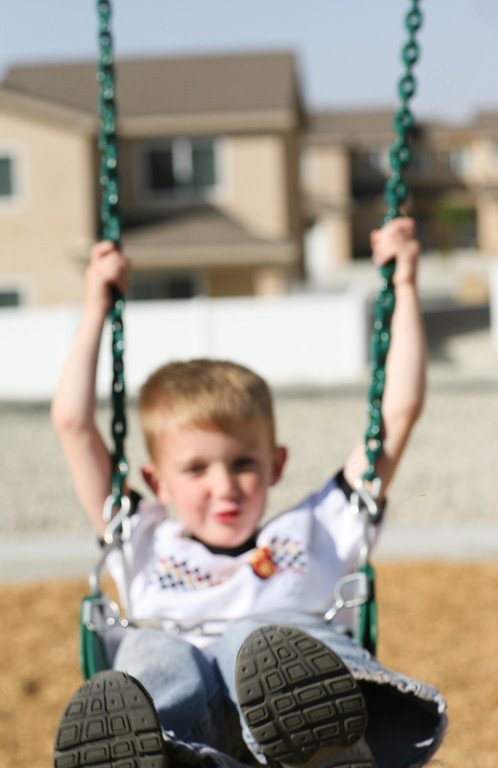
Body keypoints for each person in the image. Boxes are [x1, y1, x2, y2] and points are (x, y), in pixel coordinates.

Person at [51, 218, 447, 768]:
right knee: (155, 654)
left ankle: (327, 738)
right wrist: (96, 303)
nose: (224, 486)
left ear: (276, 464)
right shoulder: (142, 538)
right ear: (157, 483)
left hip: (294, 714)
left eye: (243, 463)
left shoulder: (319, 528)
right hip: (197, 722)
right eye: (196, 469)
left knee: (261, 637)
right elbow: (73, 424)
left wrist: (403, 284)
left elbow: (396, 415)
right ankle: (160, 754)